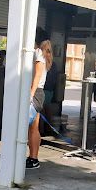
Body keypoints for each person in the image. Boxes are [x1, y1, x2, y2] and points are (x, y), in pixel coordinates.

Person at [26, 28, 53, 169]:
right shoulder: (45, 53)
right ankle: (33, 158)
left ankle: (31, 157)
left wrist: (29, 95)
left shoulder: (38, 53)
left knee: (27, 126)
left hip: (35, 93)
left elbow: (37, 76)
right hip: (38, 93)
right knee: (33, 128)